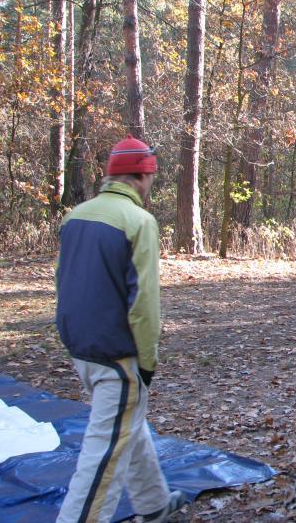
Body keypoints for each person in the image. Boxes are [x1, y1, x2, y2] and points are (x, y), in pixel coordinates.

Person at [55, 135, 185, 523]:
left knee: (126, 424)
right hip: (117, 353)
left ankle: (154, 503)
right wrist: (147, 361)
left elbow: (65, 280)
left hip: (81, 345)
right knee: (103, 456)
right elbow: (144, 302)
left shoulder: (76, 214)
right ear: (143, 177)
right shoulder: (138, 221)